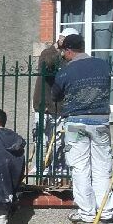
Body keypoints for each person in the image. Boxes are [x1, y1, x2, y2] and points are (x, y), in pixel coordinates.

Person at [52, 33, 113, 224]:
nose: (63, 56)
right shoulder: (103, 65)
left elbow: (55, 94)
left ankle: (87, 212)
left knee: (80, 167)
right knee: (102, 167)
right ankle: (106, 211)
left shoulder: (67, 70)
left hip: (76, 122)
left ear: (69, 50)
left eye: (64, 52)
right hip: (100, 121)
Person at [32, 28, 78, 180]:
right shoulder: (48, 53)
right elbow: (46, 66)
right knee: (42, 141)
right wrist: (59, 51)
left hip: (60, 107)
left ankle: (56, 171)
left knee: (58, 142)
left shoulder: (71, 58)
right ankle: (41, 171)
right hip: (43, 105)